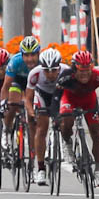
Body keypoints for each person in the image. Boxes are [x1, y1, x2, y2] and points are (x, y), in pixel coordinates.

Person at [57, 50, 99, 187]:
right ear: (74, 68)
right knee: (67, 120)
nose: (84, 74)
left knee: (96, 132)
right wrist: (57, 114)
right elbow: (56, 96)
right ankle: (67, 142)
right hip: (69, 99)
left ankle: (98, 171)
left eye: (87, 71)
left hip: (89, 102)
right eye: (81, 71)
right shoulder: (66, 77)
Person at [24, 48, 70, 185]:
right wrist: (31, 111)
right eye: (47, 70)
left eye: (54, 70)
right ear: (42, 68)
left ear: (59, 68)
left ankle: (66, 143)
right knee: (41, 128)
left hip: (60, 95)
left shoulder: (66, 71)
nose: (50, 74)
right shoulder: (35, 74)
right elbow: (28, 98)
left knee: (65, 119)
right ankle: (41, 169)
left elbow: (72, 95)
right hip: (42, 95)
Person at [0, 36, 40, 149]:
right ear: (22, 55)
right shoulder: (15, 62)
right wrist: (3, 103)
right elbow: (6, 86)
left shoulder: (42, 63)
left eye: (33, 55)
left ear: (38, 54)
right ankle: (6, 131)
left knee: (35, 111)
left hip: (34, 84)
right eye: (26, 55)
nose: (30, 59)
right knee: (13, 103)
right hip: (18, 81)